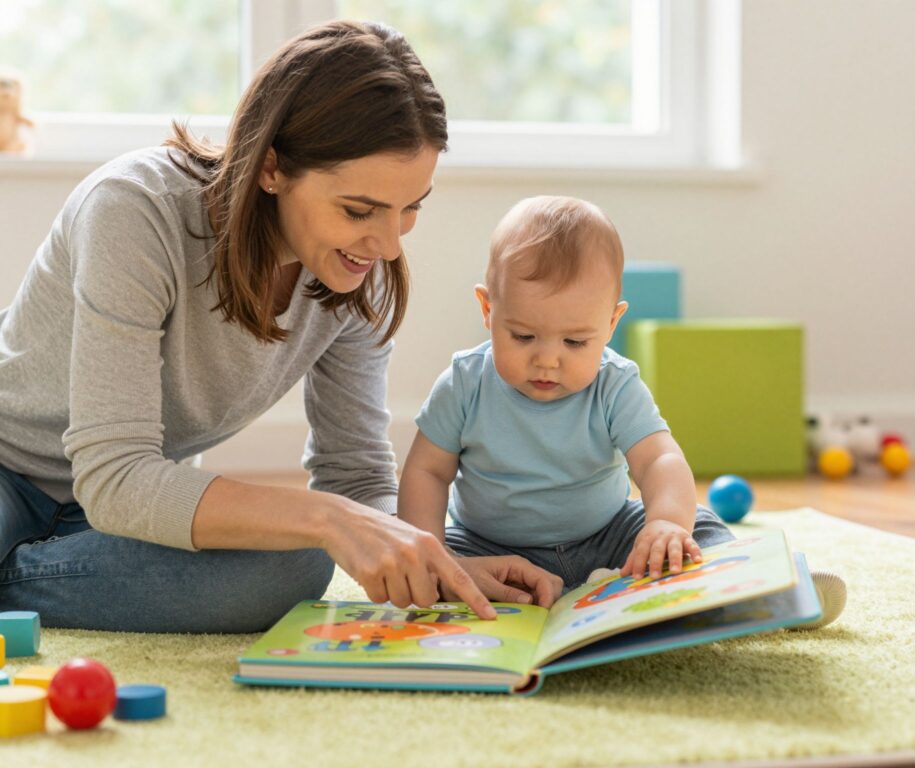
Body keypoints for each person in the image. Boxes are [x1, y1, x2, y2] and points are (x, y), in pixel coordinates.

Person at [0, 21, 562, 633]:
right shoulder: (133, 211)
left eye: (410, 209)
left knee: (295, 564)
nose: (388, 244)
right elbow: (115, 475)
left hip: (110, 514)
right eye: (359, 210)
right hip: (21, 471)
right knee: (314, 528)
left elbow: (355, 476)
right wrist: (328, 518)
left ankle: (22, 581)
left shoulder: (357, 271)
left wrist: (442, 559)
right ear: (272, 167)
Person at [398, 196, 736, 591]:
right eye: (523, 336)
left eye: (574, 342)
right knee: (440, 566)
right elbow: (427, 471)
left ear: (611, 323)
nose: (547, 360)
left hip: (608, 536)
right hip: (487, 547)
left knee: (696, 528)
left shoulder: (615, 383)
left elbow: (659, 458)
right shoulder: (464, 383)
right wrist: (431, 552)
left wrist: (664, 522)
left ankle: (760, 587)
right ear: (488, 309)